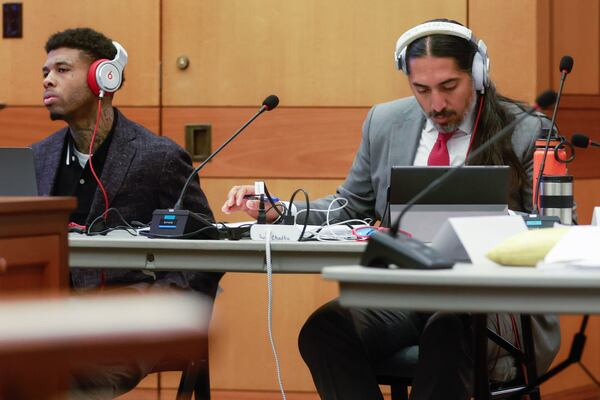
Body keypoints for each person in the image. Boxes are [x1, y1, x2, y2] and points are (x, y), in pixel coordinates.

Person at [222, 20, 560, 400]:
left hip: (486, 299)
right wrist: (279, 210)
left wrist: (499, 226)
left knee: (448, 327)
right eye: (421, 89)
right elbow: (350, 207)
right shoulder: (385, 123)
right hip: (405, 290)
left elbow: (559, 229)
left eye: (449, 86)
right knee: (326, 330)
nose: (436, 104)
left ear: (478, 75)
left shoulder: (528, 131)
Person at [34, 27, 220, 399]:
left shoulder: (159, 157)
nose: (48, 80)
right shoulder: (38, 157)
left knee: (61, 379)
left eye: (62, 69)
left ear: (103, 77)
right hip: (48, 317)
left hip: (131, 321)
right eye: (45, 72)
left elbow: (206, 252)